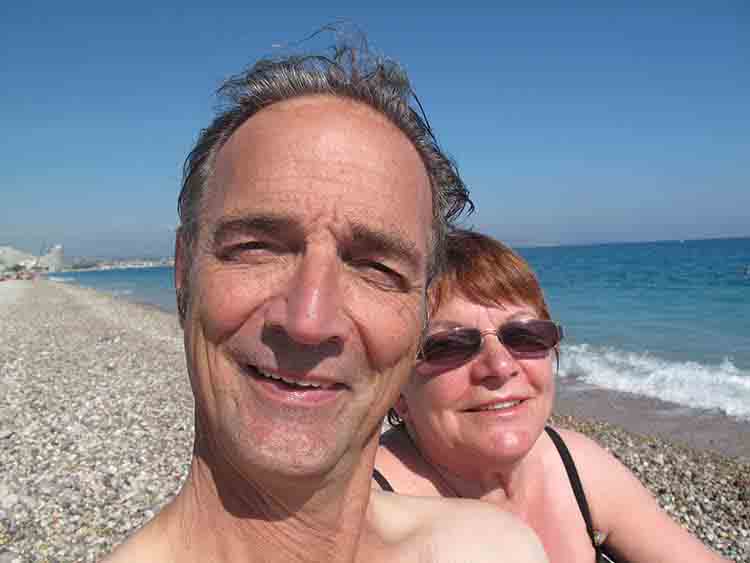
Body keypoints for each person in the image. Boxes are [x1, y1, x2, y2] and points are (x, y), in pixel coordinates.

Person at [103, 40, 548, 562]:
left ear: (424, 313)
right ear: (184, 271)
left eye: (376, 268)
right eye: (257, 247)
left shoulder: (495, 549)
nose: (309, 322)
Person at [375, 228, 729, 563]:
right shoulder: (370, 518)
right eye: (450, 345)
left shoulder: (575, 465)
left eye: (524, 335)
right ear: (397, 389)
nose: (500, 366)